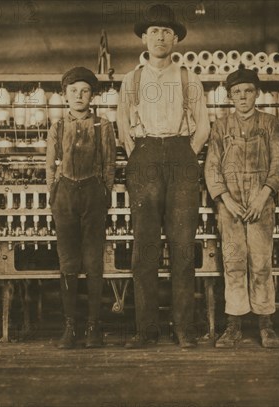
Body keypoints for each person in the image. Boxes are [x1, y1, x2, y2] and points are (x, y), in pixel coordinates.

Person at [116, 4, 210, 349]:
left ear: (175, 39)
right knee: (145, 248)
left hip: (182, 154)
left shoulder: (188, 78)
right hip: (145, 156)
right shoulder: (132, 78)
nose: (160, 36)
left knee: (183, 246)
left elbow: (204, 126)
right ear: (144, 37)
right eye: (154, 31)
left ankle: (184, 328)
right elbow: (123, 127)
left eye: (166, 32)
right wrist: (142, 155)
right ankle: (146, 329)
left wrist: (185, 154)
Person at [204, 67, 279, 348]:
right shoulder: (220, 126)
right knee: (234, 263)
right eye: (237, 92)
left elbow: (278, 166)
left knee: (262, 263)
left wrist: (262, 196)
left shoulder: (269, 123)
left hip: (260, 204)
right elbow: (212, 167)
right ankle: (233, 325)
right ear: (229, 96)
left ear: (257, 93)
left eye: (248, 91)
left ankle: (266, 324)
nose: (242, 97)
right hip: (230, 206)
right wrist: (226, 200)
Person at [46, 66, 116, 349]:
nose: (79, 95)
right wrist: (53, 192)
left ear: (92, 96)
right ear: (65, 95)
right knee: (68, 262)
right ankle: (69, 327)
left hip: (93, 194)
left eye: (84, 91)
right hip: (64, 196)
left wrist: (104, 191)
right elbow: (49, 165)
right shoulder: (58, 127)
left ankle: (93, 327)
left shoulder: (103, 126)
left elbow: (110, 164)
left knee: (93, 261)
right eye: (73, 91)